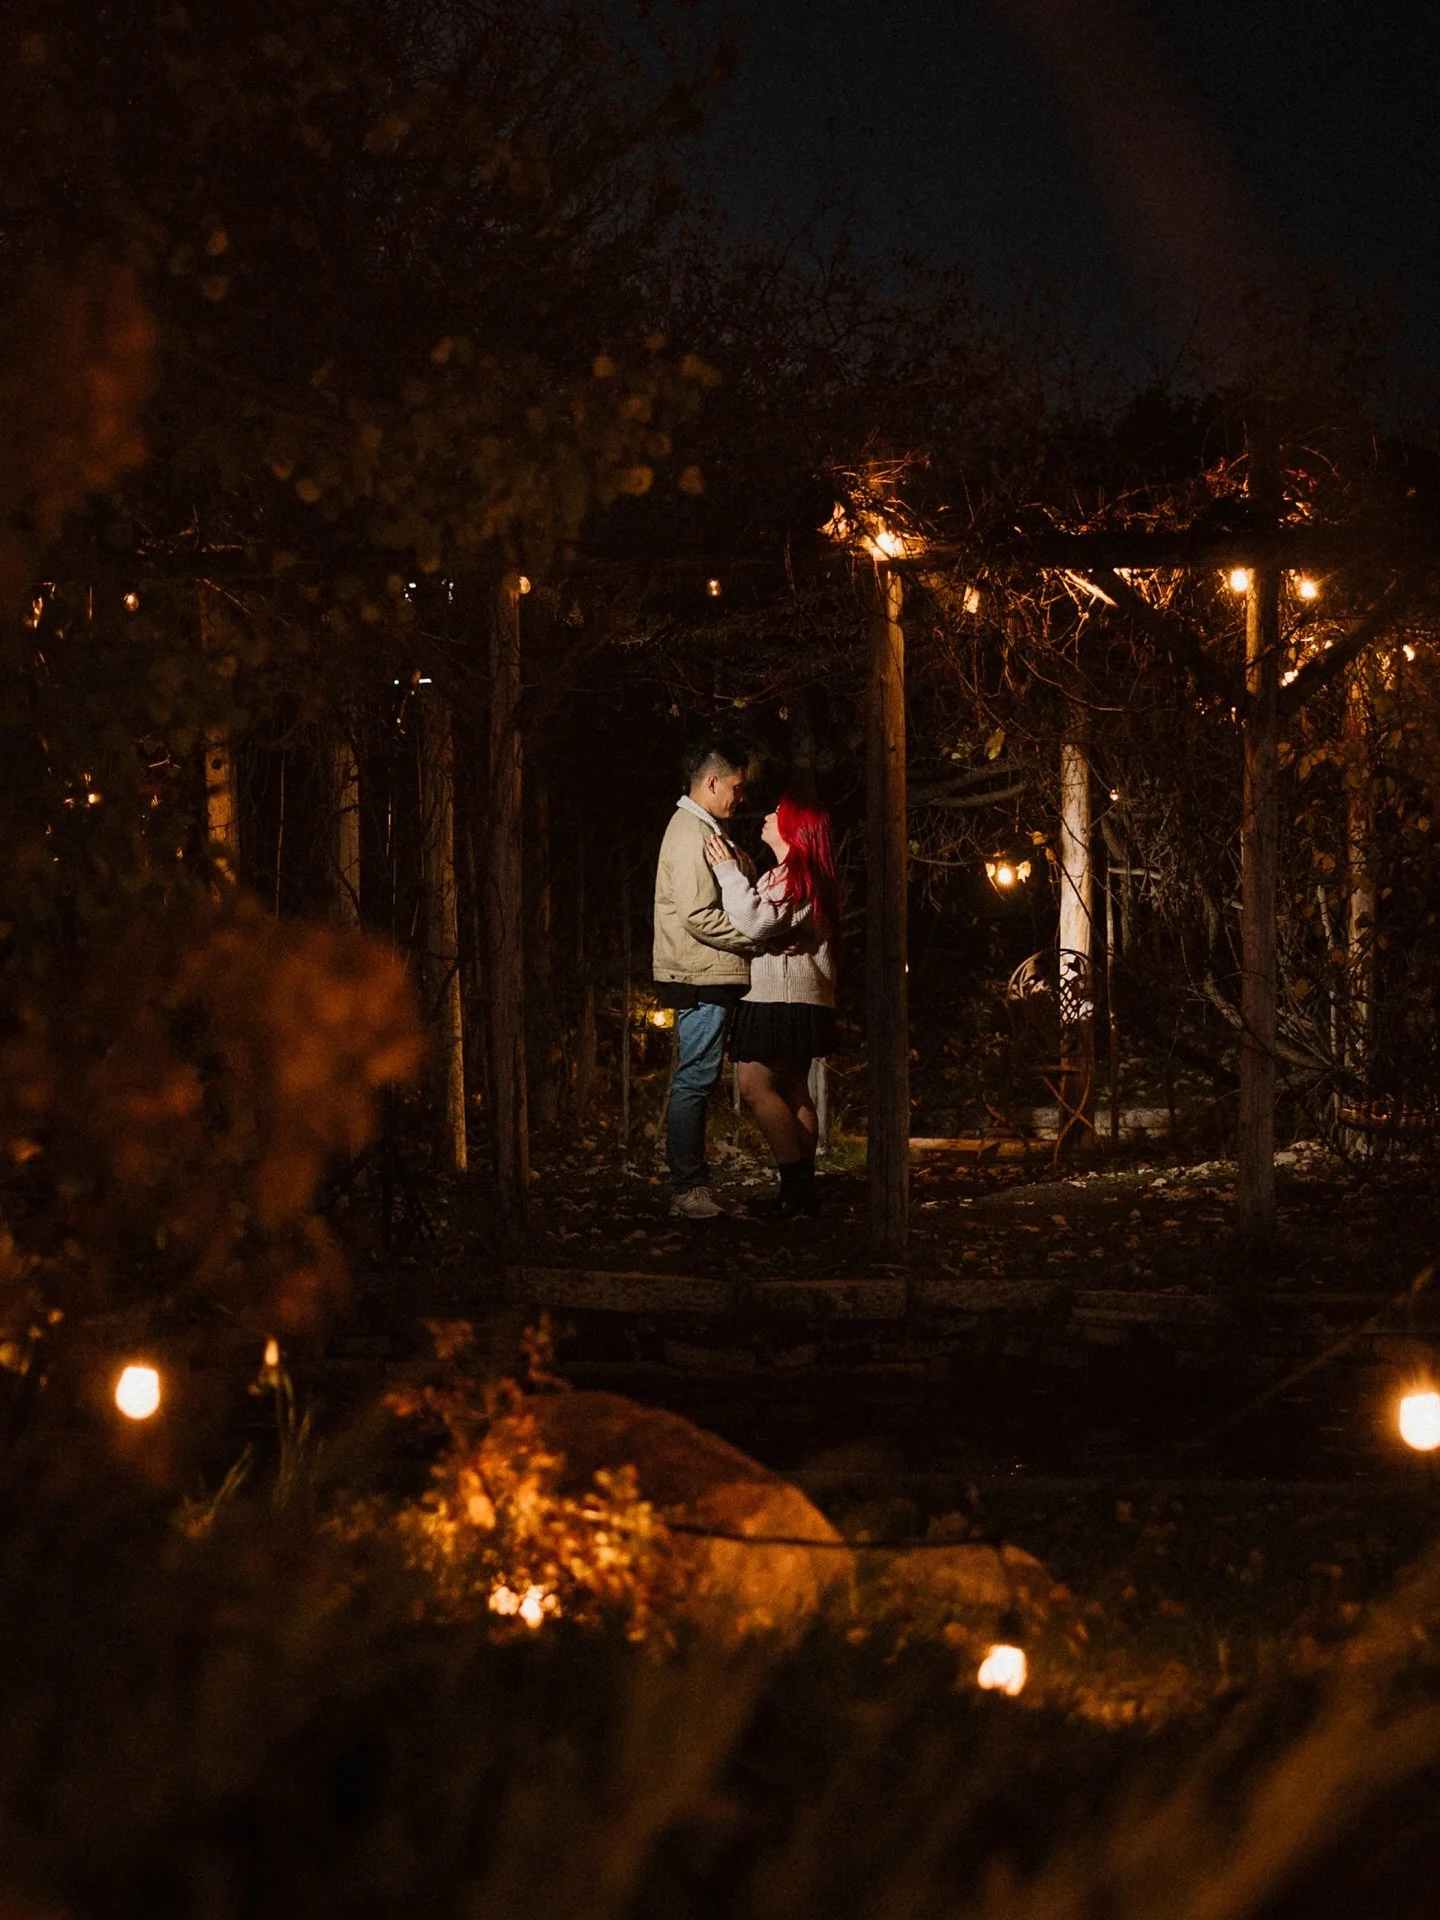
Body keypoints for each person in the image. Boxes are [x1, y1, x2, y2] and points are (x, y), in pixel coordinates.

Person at [705, 794, 839, 1216]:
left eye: (777, 814)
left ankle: (793, 1187)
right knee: (792, 1087)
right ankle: (803, 1191)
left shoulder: (794, 874)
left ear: (794, 828)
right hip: (801, 996)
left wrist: (728, 873)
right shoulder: (801, 875)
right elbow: (770, 923)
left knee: (754, 1085)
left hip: (778, 997)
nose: (767, 817)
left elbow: (755, 920)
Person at [652, 738, 756, 1219]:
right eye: (736, 786)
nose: (740, 796)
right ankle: (686, 1189)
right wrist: (755, 938)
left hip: (704, 968)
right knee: (695, 1077)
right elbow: (698, 914)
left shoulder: (701, 829)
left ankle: (690, 1185)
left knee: (697, 1076)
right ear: (712, 782)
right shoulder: (692, 832)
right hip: (700, 970)